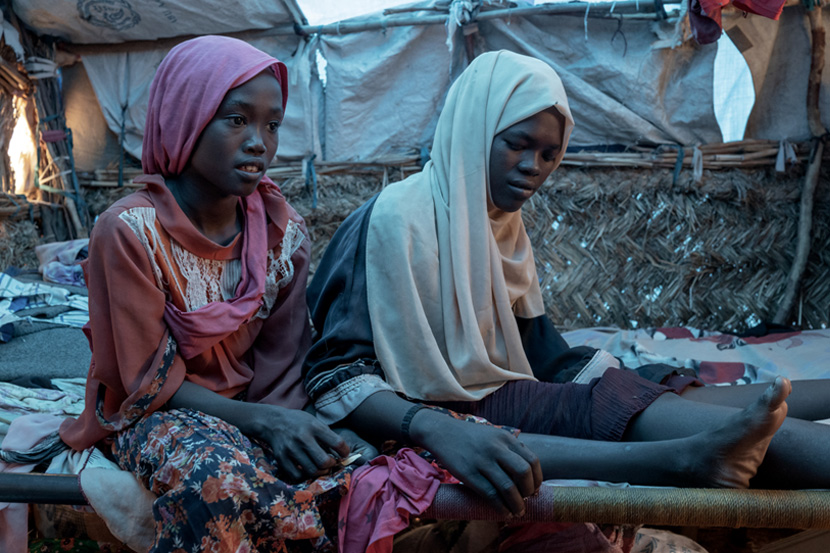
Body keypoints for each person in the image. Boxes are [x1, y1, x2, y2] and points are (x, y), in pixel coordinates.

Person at [304, 50, 830, 521]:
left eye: (550, 153)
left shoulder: (496, 227)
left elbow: (540, 353)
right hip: (428, 411)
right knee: (623, 408)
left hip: (484, 392)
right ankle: (692, 457)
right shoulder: (394, 220)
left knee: (643, 388)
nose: (533, 167)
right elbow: (335, 377)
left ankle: (712, 430)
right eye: (517, 145)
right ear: (473, 128)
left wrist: (628, 381)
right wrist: (430, 425)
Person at [56, 36, 370, 553]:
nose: (259, 143)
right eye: (237, 119)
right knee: (215, 481)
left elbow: (283, 358)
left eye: (272, 124)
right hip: (156, 415)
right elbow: (144, 384)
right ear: (186, 117)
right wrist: (265, 424)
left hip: (258, 408)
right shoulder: (131, 231)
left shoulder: (282, 229)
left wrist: (289, 426)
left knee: (354, 464)